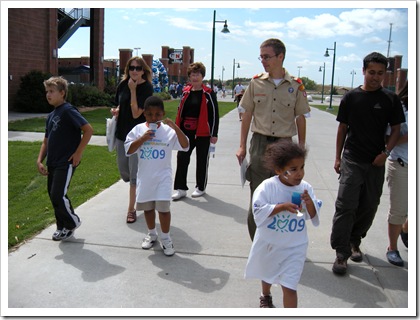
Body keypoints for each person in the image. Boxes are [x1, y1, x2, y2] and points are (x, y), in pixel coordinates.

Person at [330, 52, 406, 275]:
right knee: (346, 205)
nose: (375, 77)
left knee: (369, 206)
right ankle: (341, 253)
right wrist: (337, 157)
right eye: (371, 72)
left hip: (376, 162)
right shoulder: (350, 98)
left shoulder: (390, 100)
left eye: (380, 73)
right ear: (363, 71)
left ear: (385, 74)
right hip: (352, 158)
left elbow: (395, 130)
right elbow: (342, 128)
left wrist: (385, 152)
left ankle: (355, 240)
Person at [235, 38, 310, 240]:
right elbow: (247, 114)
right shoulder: (255, 82)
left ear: (280, 57)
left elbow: (300, 117)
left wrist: (300, 151)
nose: (263, 61)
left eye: (267, 57)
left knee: (283, 194)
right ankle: (257, 242)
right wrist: (242, 146)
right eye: (261, 57)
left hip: (285, 146)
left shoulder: (296, 86)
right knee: (258, 197)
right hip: (260, 144)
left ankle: (278, 241)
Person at [244, 140, 320, 308]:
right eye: (293, 169)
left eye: (302, 167)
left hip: (295, 247)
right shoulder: (267, 188)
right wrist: (282, 207)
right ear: (279, 170)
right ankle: (265, 294)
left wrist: (309, 204)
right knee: (267, 273)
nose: (299, 173)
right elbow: (258, 211)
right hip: (271, 244)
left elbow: (313, 216)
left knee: (290, 287)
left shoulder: (305, 188)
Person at [125, 96, 189, 256]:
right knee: (148, 208)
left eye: (158, 114)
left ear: (163, 114)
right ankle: (151, 233)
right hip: (145, 178)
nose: (154, 118)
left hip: (163, 178)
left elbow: (185, 145)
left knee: (163, 209)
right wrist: (142, 138)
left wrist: (175, 127)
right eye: (150, 114)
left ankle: (166, 238)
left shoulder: (168, 131)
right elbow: (129, 150)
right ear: (144, 114)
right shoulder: (138, 129)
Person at [37, 76, 93, 241]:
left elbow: (88, 130)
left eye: (52, 91)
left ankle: (72, 222)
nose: (48, 94)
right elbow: (46, 141)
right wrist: (40, 160)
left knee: (58, 195)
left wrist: (78, 153)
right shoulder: (51, 115)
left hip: (66, 162)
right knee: (54, 196)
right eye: (47, 91)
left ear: (62, 93)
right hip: (52, 162)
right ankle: (61, 227)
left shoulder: (68, 110)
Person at [111, 56, 154, 224]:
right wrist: (116, 110)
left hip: (137, 136)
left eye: (138, 68)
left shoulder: (146, 88)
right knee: (124, 171)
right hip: (122, 134)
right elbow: (120, 104)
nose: (134, 71)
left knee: (134, 175)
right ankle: (140, 185)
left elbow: (137, 114)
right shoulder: (123, 84)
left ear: (143, 70)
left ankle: (131, 209)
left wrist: (134, 90)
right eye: (131, 68)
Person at [172, 62, 219, 200]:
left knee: (202, 159)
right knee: (182, 158)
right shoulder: (186, 92)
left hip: (203, 132)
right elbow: (180, 111)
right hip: (186, 131)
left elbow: (214, 114)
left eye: (197, 74)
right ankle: (180, 188)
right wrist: (177, 129)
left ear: (202, 76)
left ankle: (200, 187)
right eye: (192, 74)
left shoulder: (209, 93)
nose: (195, 77)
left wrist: (214, 133)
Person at [385, 81, 408, 266]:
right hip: (402, 164)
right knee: (399, 210)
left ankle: (406, 229)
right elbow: (388, 137)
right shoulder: (400, 107)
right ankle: (392, 248)